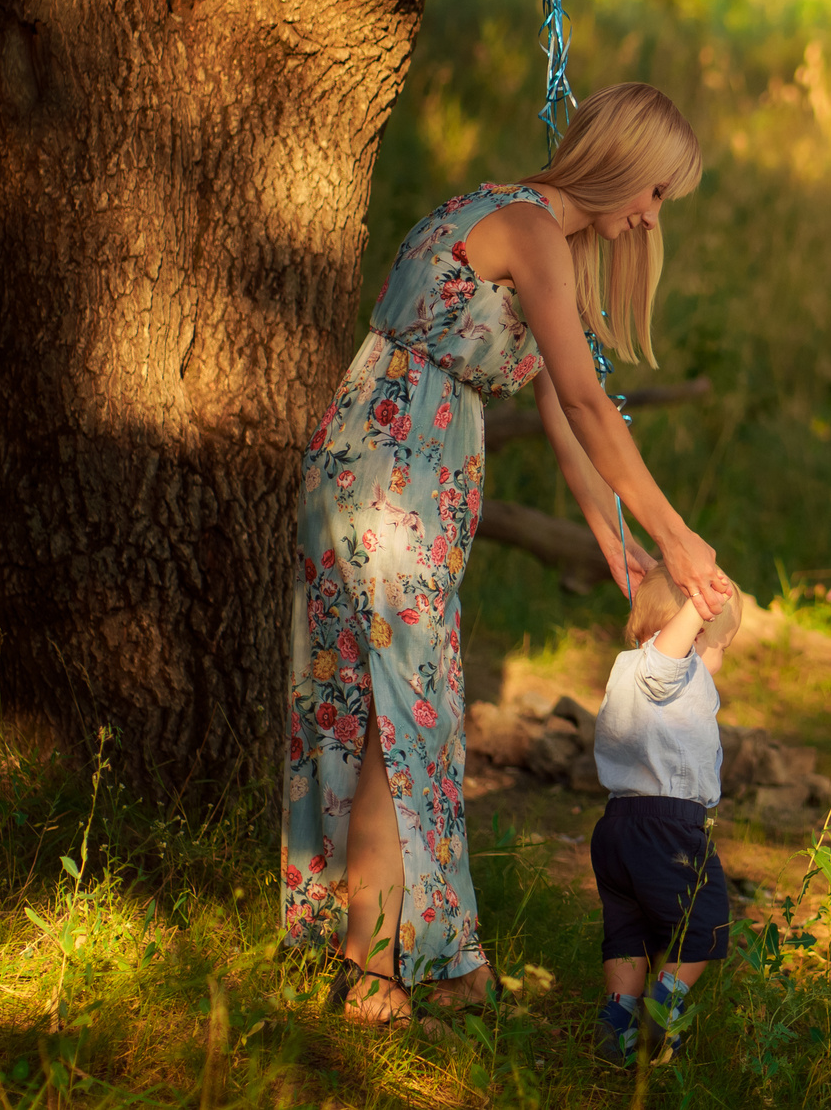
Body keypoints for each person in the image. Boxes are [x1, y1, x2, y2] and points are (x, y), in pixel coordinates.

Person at [282, 83, 737, 1028]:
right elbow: (583, 402)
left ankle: (417, 954)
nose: (651, 217)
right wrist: (675, 535)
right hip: (395, 470)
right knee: (398, 713)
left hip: (399, 459)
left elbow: (566, 430)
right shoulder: (528, 226)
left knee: (392, 707)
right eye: (652, 193)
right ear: (617, 163)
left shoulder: (536, 238)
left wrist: (623, 551)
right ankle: (373, 963)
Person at [587, 566, 742, 1065]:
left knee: (628, 929)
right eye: (722, 644)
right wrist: (700, 600)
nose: (723, 656)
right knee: (706, 922)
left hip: (616, 828)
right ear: (695, 632)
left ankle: (618, 1018)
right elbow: (670, 654)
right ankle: (664, 1003)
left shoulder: (625, 667)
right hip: (667, 827)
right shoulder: (668, 666)